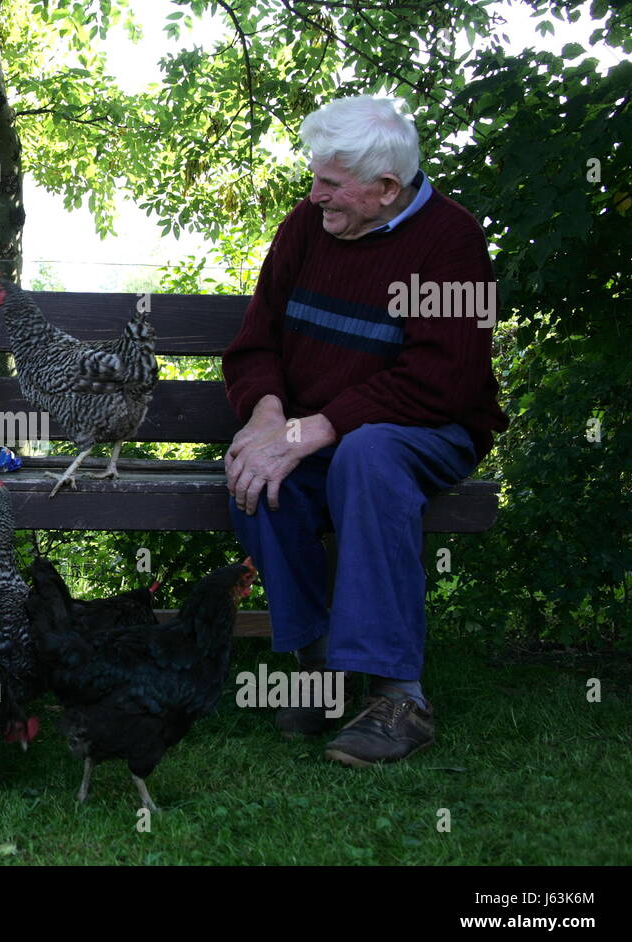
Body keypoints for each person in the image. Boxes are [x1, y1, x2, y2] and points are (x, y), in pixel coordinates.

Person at [222, 95, 507, 766]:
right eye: (314, 177)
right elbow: (255, 340)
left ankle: (398, 697)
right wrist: (267, 416)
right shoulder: (306, 227)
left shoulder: (451, 240)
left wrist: (319, 427)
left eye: (329, 183)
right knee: (255, 471)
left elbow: (444, 380)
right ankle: (320, 665)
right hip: (317, 429)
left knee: (369, 456)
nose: (313, 194)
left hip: (424, 429)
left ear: (385, 189)